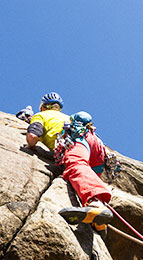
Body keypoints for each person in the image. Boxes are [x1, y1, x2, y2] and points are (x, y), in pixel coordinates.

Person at [24, 92, 113, 230]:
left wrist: (30, 146)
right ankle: (99, 222)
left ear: (42, 107)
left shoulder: (40, 115)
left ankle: (96, 205)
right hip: (96, 146)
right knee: (85, 178)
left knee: (75, 166)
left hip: (75, 140)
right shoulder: (66, 117)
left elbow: (33, 135)